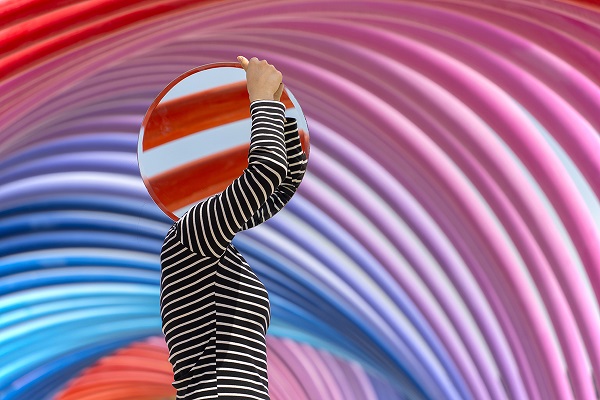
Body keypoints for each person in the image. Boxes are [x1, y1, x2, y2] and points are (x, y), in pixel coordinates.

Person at [159, 56, 308, 399]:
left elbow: (280, 185)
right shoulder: (190, 236)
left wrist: (279, 108)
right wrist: (259, 99)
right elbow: (267, 173)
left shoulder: (212, 248)